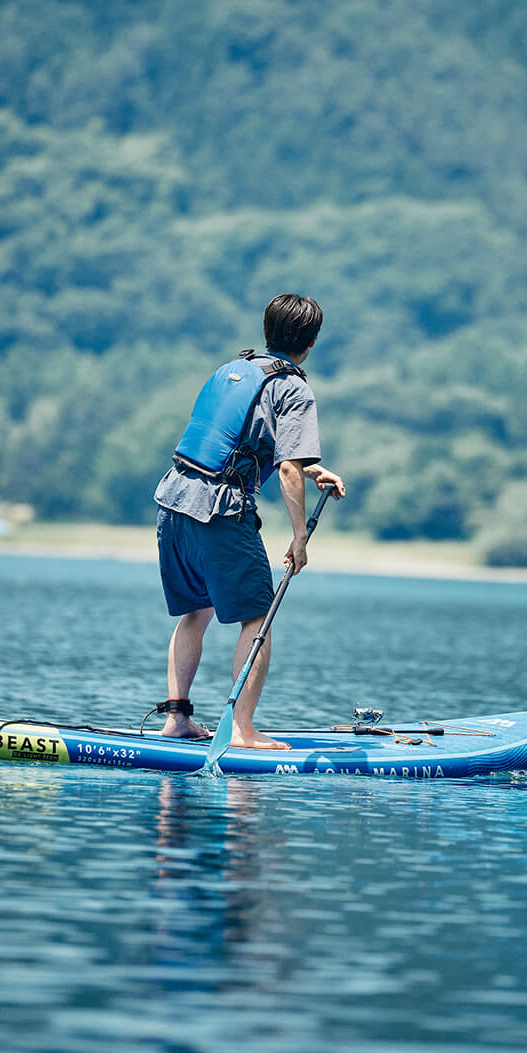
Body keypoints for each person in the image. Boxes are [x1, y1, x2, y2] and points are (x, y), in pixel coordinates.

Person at [152, 294, 346, 750]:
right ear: (312, 342)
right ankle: (242, 730)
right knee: (257, 617)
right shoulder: (294, 388)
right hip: (220, 510)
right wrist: (300, 537)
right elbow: (285, 469)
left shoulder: (233, 370)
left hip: (174, 498)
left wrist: (311, 469)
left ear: (267, 329)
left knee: (195, 612)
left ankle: (177, 720)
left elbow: (233, 442)